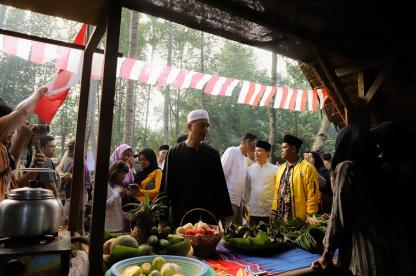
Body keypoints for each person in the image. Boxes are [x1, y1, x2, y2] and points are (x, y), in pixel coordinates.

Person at [311, 124, 415, 276]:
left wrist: (327, 253)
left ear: (343, 144)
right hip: (397, 257)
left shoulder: (347, 168)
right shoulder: (384, 171)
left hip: (370, 261)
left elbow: (338, 215)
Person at [163, 109, 233, 227]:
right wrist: (162, 219)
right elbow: (166, 187)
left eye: (207, 126)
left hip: (208, 216)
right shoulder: (174, 153)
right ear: (189, 126)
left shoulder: (212, 154)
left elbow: (220, 187)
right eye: (202, 126)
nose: (206, 130)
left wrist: (224, 217)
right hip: (182, 215)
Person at [0, 87, 48, 201]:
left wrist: (35, 169)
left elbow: (15, 187)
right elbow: (22, 112)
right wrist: (38, 94)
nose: (12, 131)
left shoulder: (3, 151)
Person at [271, 134, 319, 222]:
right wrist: (274, 211)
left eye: (284, 147)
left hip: (300, 220)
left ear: (293, 149)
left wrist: (311, 215)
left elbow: (312, 195)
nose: (281, 150)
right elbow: (276, 192)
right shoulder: (280, 168)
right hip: (280, 218)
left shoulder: (307, 168)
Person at [221, 132, 257, 226]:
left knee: (238, 231)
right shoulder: (232, 151)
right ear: (247, 141)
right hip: (229, 199)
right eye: (254, 144)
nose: (255, 148)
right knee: (228, 230)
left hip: (239, 201)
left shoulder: (245, 159)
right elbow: (221, 174)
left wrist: (244, 204)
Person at [244, 140, 277, 225]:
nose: (256, 153)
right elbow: (247, 190)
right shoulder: (249, 169)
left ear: (267, 153)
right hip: (253, 212)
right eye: (255, 150)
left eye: (259, 151)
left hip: (269, 212)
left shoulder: (275, 169)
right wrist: (244, 206)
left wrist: (275, 210)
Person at [105, 160, 129, 233]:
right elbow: (105, 205)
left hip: (119, 226)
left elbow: (117, 208)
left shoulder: (119, 187)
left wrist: (129, 215)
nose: (124, 176)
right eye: (123, 173)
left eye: (125, 174)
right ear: (116, 172)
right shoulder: (107, 186)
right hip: (109, 228)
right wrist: (119, 195)